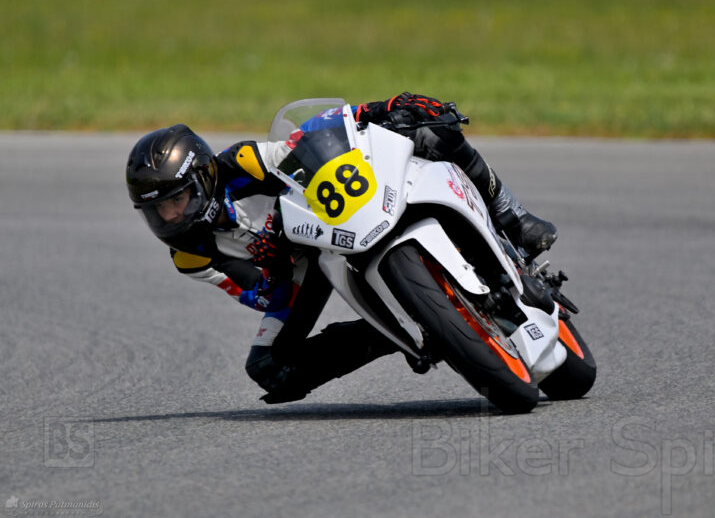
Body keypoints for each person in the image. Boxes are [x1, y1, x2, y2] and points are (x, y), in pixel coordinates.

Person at [125, 93, 557, 404]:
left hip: (330, 215)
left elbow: (306, 139)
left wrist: (378, 110)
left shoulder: (242, 164)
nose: (171, 217)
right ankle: (407, 328)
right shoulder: (190, 255)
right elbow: (261, 296)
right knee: (269, 368)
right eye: (158, 211)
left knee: (428, 129)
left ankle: (513, 216)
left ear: (203, 177)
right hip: (299, 267)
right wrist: (274, 267)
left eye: (177, 201)